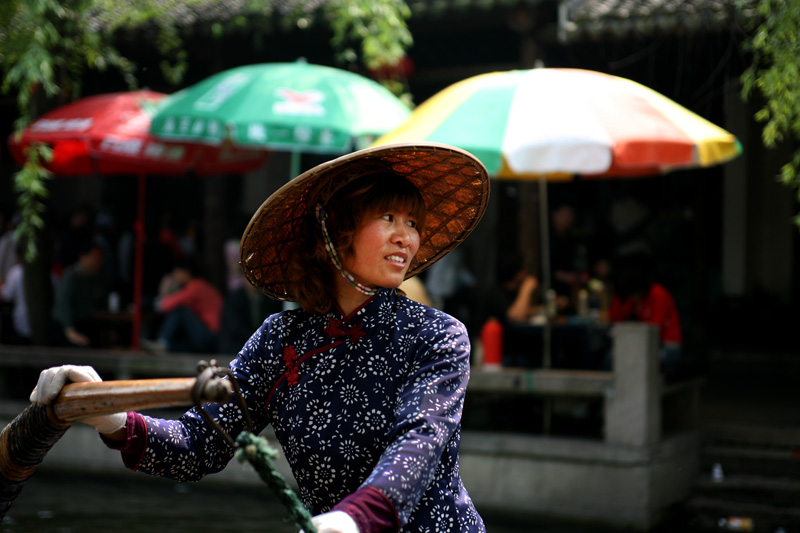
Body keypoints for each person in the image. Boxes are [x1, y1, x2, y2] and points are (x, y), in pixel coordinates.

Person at [29, 143, 490, 532]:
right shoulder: (280, 338)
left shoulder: (438, 334)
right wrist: (108, 414)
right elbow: (198, 444)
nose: (405, 237)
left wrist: (353, 519)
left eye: (412, 222)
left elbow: (421, 441)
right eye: (388, 216)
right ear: (334, 234)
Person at [608, 252, 682, 369]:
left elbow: (655, 329)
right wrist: (619, 298)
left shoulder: (658, 294)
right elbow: (616, 319)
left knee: (635, 360)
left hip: (667, 346)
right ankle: (611, 387)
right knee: (612, 355)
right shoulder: (636, 299)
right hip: (645, 344)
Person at [143, 257, 223, 354]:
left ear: (186, 272)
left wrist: (163, 291)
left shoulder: (196, 286)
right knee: (174, 347)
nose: (175, 276)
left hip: (210, 336)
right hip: (214, 338)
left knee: (180, 310)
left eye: (177, 272)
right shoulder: (203, 285)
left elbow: (166, 305)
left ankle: (162, 342)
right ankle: (162, 346)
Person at [51, 241, 107, 347]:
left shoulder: (97, 278)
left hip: (85, 324)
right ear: (83, 257)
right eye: (95, 258)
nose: (99, 262)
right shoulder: (70, 276)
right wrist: (70, 330)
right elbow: (63, 304)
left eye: (100, 259)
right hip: (64, 327)